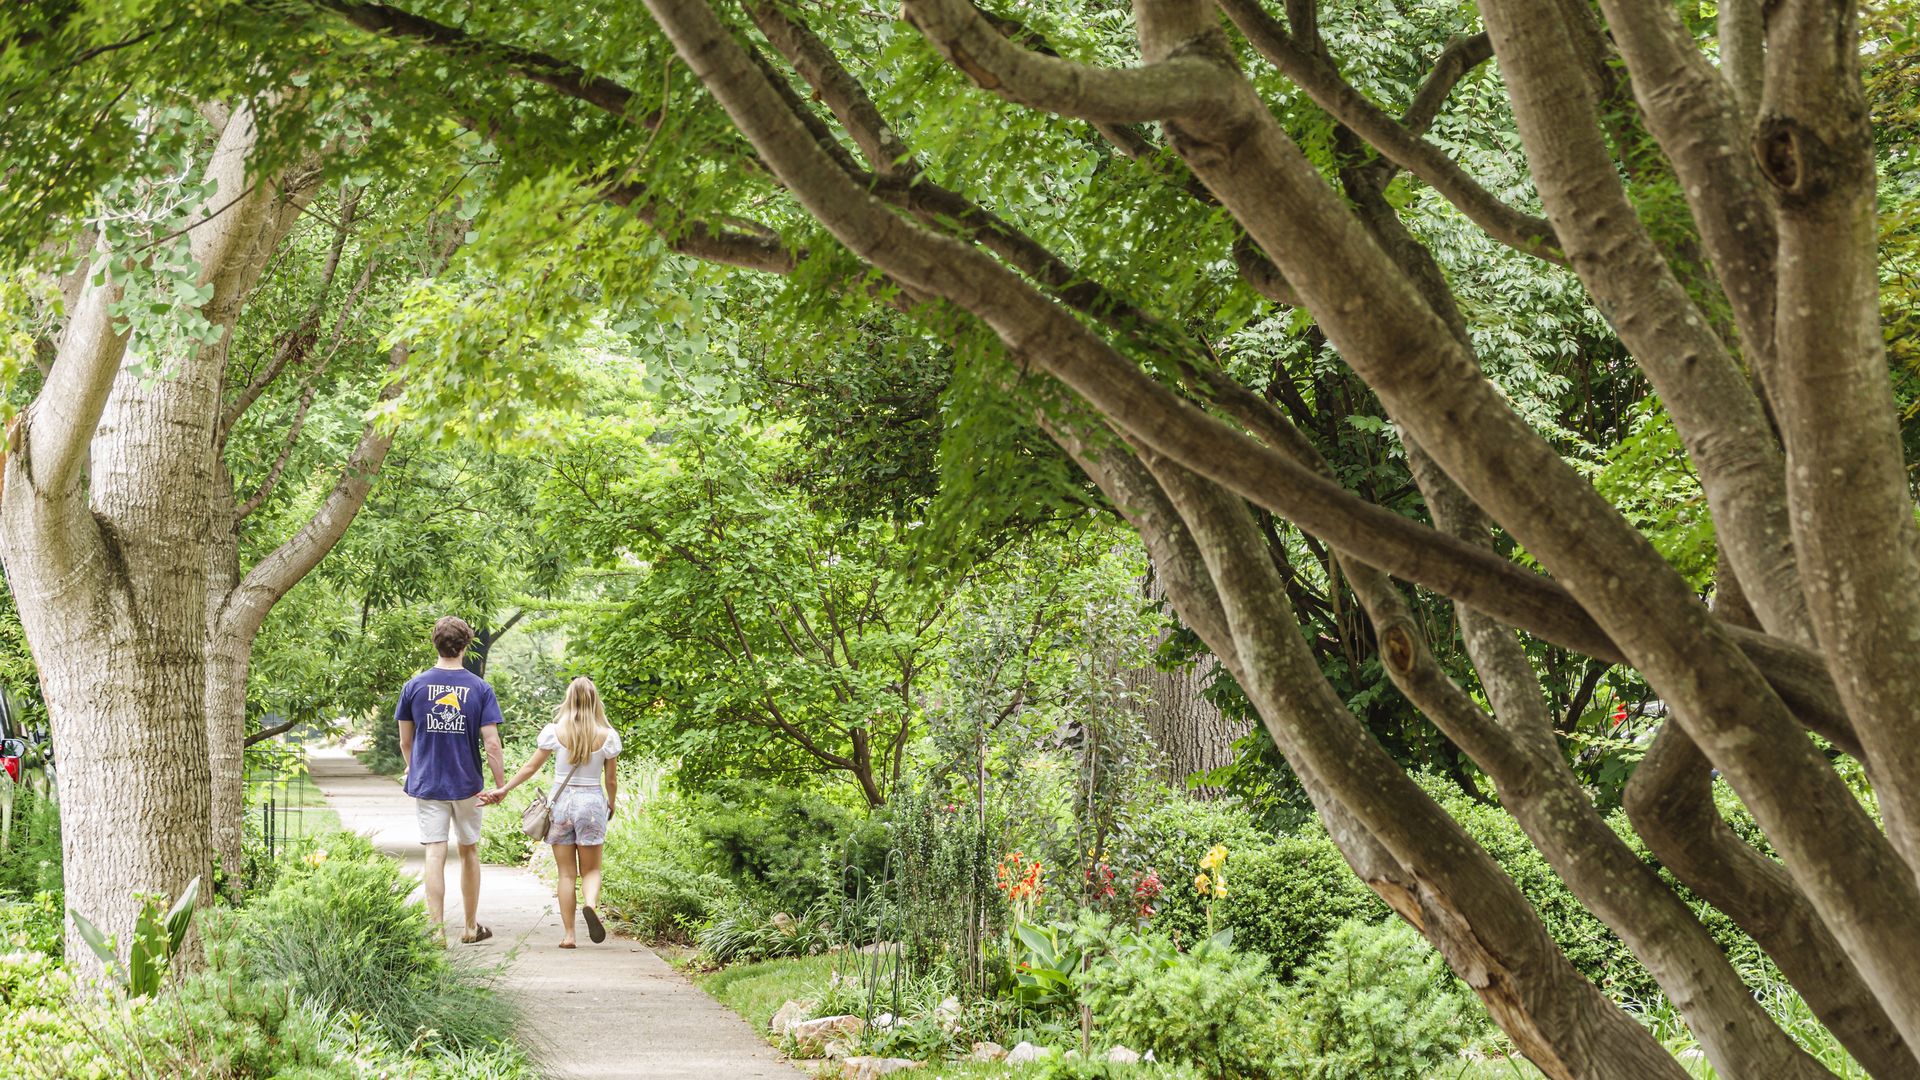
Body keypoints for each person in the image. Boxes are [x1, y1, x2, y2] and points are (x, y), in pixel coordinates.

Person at [481, 676, 620, 948]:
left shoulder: (554, 732)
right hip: (591, 803)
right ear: (595, 701)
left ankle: (569, 936)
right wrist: (611, 803)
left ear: (569, 699)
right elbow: (611, 780)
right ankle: (590, 904)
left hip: (561, 804)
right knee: (591, 870)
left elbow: (530, 768)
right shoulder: (607, 736)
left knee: (566, 874)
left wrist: (504, 788)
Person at [395, 616, 505, 945]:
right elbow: (492, 743)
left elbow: (405, 742)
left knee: (434, 853)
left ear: (435, 643)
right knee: (469, 852)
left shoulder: (414, 686)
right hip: (468, 784)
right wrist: (499, 784)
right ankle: (471, 927)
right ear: (466, 645)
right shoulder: (480, 688)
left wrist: (414, 768)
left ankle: (436, 930)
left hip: (428, 783)